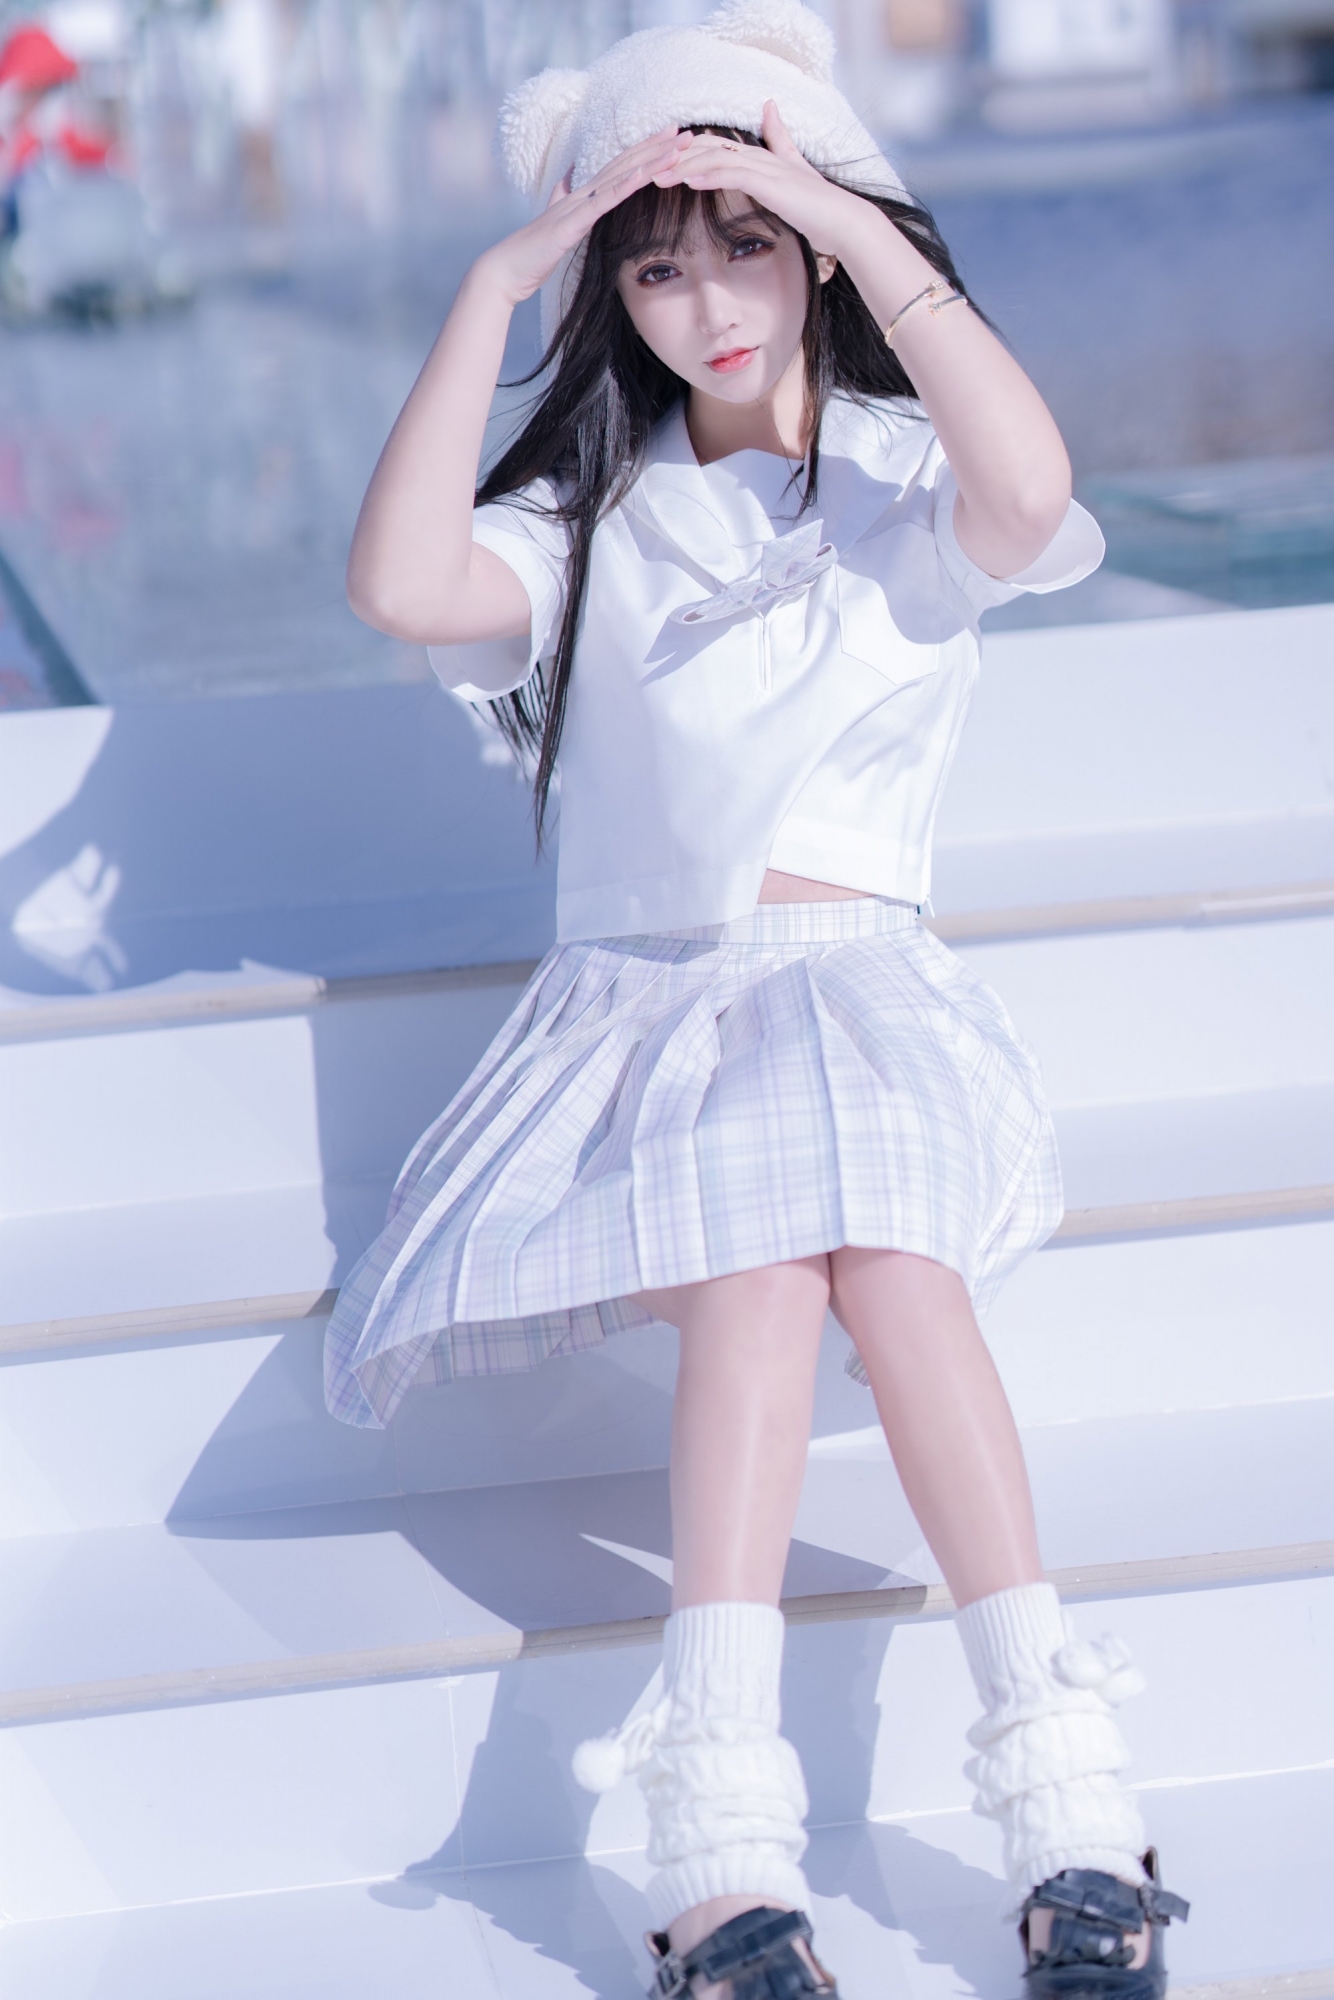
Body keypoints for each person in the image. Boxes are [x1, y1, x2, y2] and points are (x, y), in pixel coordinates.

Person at [324, 3, 1189, 1993]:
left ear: (815, 247)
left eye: (743, 247)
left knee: (874, 1248)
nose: (704, 303)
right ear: (607, 298)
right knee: (763, 1259)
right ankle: (760, 1839)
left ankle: (1036, 1802)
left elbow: (1032, 478)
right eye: (654, 267)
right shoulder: (584, 527)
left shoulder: (906, 486)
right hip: (654, 1023)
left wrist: (846, 208)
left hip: (860, 996)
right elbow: (397, 586)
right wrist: (494, 287)